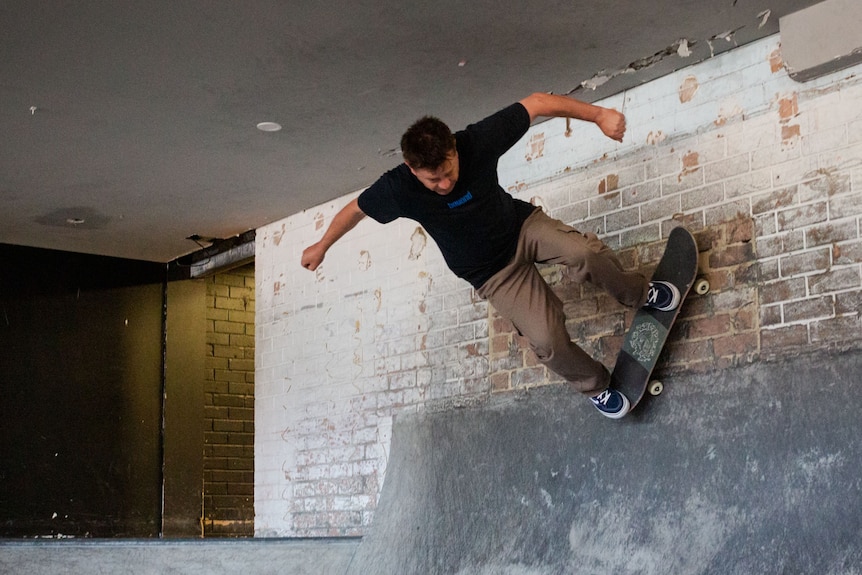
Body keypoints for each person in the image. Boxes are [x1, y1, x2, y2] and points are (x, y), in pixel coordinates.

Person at [301, 92, 680, 419]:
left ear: (453, 147)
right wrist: (322, 246)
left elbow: (537, 103)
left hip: (521, 228)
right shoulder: (397, 188)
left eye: (449, 170)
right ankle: (595, 386)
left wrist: (598, 115)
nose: (445, 184)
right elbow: (355, 209)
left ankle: (640, 294)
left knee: (583, 253)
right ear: (412, 169)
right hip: (492, 273)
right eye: (433, 180)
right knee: (547, 341)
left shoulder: (477, 141)